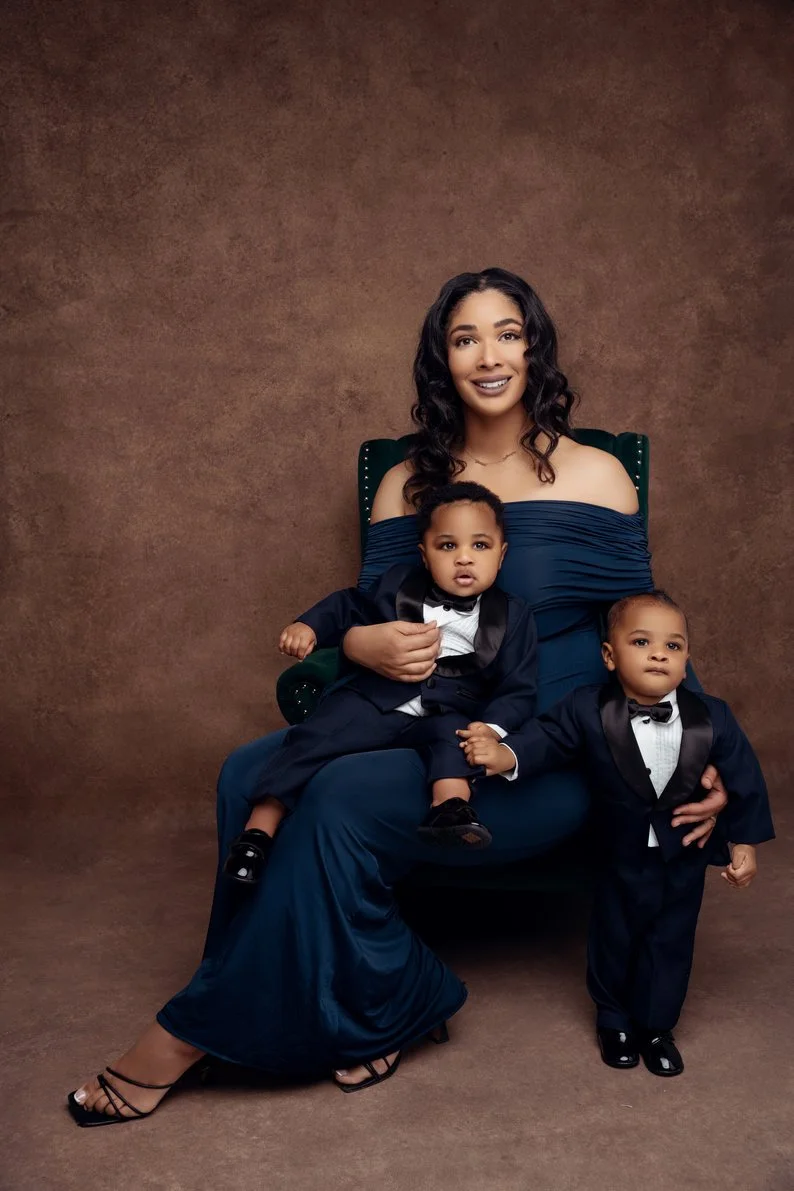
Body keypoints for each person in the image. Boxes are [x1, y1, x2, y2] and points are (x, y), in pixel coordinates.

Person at [68, 267, 728, 1124]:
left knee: (337, 795)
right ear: (441, 358)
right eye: (465, 338)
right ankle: (388, 993)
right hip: (417, 716)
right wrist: (357, 642)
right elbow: (372, 610)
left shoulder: (598, 474)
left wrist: (703, 746)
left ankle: (184, 1038)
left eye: (507, 334)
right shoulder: (405, 482)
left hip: (546, 747)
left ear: (534, 348)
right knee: (245, 774)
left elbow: (650, 626)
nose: (488, 356)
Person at [460, 590, 774, 1077]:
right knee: (614, 935)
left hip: (684, 853)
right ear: (609, 655)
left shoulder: (714, 715)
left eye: (673, 646)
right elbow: (546, 739)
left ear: (686, 660)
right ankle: (614, 1020)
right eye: (642, 642)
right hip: (618, 850)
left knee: (671, 941)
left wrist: (744, 843)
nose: (658, 654)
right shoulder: (586, 707)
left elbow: (743, 778)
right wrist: (505, 755)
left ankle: (657, 1027)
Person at [223, 482, 537, 883]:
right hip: (376, 699)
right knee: (313, 738)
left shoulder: (514, 616)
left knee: (457, 742)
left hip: (449, 709)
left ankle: (450, 810)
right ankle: (258, 831)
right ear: (424, 555)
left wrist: (491, 728)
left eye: (480, 545)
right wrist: (309, 626)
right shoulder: (398, 584)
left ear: (501, 554)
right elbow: (349, 605)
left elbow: (518, 688)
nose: (464, 558)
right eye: (447, 546)